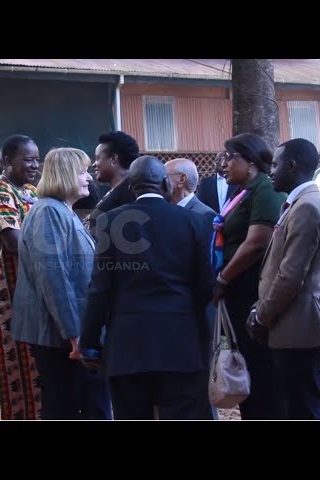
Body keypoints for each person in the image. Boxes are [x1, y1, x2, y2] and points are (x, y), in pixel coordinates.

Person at [80, 156, 214, 420]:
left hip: (127, 346)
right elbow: (205, 286)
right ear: (165, 183)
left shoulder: (110, 222)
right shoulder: (194, 222)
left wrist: (90, 342)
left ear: (132, 187)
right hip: (180, 343)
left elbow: (100, 290)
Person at [11, 147, 111, 419]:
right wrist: (74, 334)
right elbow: (54, 279)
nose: (88, 178)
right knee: (64, 407)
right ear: (65, 174)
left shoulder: (61, 211)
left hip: (66, 332)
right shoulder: (48, 213)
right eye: (82, 172)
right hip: (59, 336)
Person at [246, 138, 320, 419]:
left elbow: (290, 276)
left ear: (292, 166)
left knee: (306, 406)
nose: (270, 170)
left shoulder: (306, 207)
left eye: (275, 164)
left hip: (299, 326)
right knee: (299, 403)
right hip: (291, 325)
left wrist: (262, 315)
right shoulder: (297, 204)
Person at [212, 133, 286, 420]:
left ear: (252, 161)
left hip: (252, 293)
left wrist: (222, 279)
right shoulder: (240, 192)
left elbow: (257, 242)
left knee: (262, 374)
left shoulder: (264, 190)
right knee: (249, 372)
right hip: (236, 294)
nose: (223, 163)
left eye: (230, 157)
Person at [0, 134, 42, 420]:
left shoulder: (31, 191)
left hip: (29, 283)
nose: (35, 165)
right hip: (4, 286)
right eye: (27, 159)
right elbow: (13, 242)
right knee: (6, 354)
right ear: (7, 160)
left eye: (37, 159)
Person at [164, 157, 217, 419]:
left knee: (201, 386)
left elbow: (207, 272)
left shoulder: (204, 215)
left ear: (181, 180)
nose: (161, 183)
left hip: (199, 315)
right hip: (175, 317)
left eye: (166, 176)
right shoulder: (168, 213)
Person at [85, 131, 140, 238]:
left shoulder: (130, 196)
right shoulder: (115, 191)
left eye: (97, 158)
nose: (94, 164)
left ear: (113, 159)